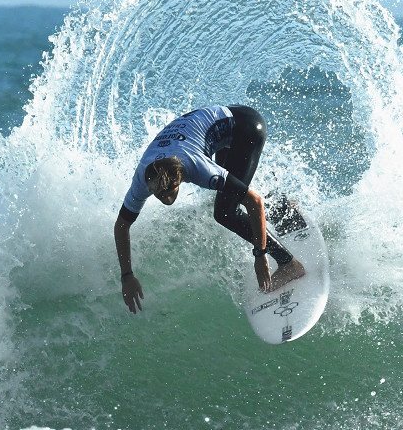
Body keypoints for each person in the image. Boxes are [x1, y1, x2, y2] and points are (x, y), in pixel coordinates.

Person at [113, 105, 305, 314]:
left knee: (225, 212)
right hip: (220, 131)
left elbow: (254, 202)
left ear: (181, 177)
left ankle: (289, 264)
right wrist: (127, 276)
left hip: (245, 127)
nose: (167, 200)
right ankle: (284, 209)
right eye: (159, 195)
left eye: (171, 191)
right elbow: (122, 225)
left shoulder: (197, 167)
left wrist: (260, 255)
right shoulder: (142, 179)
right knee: (234, 189)